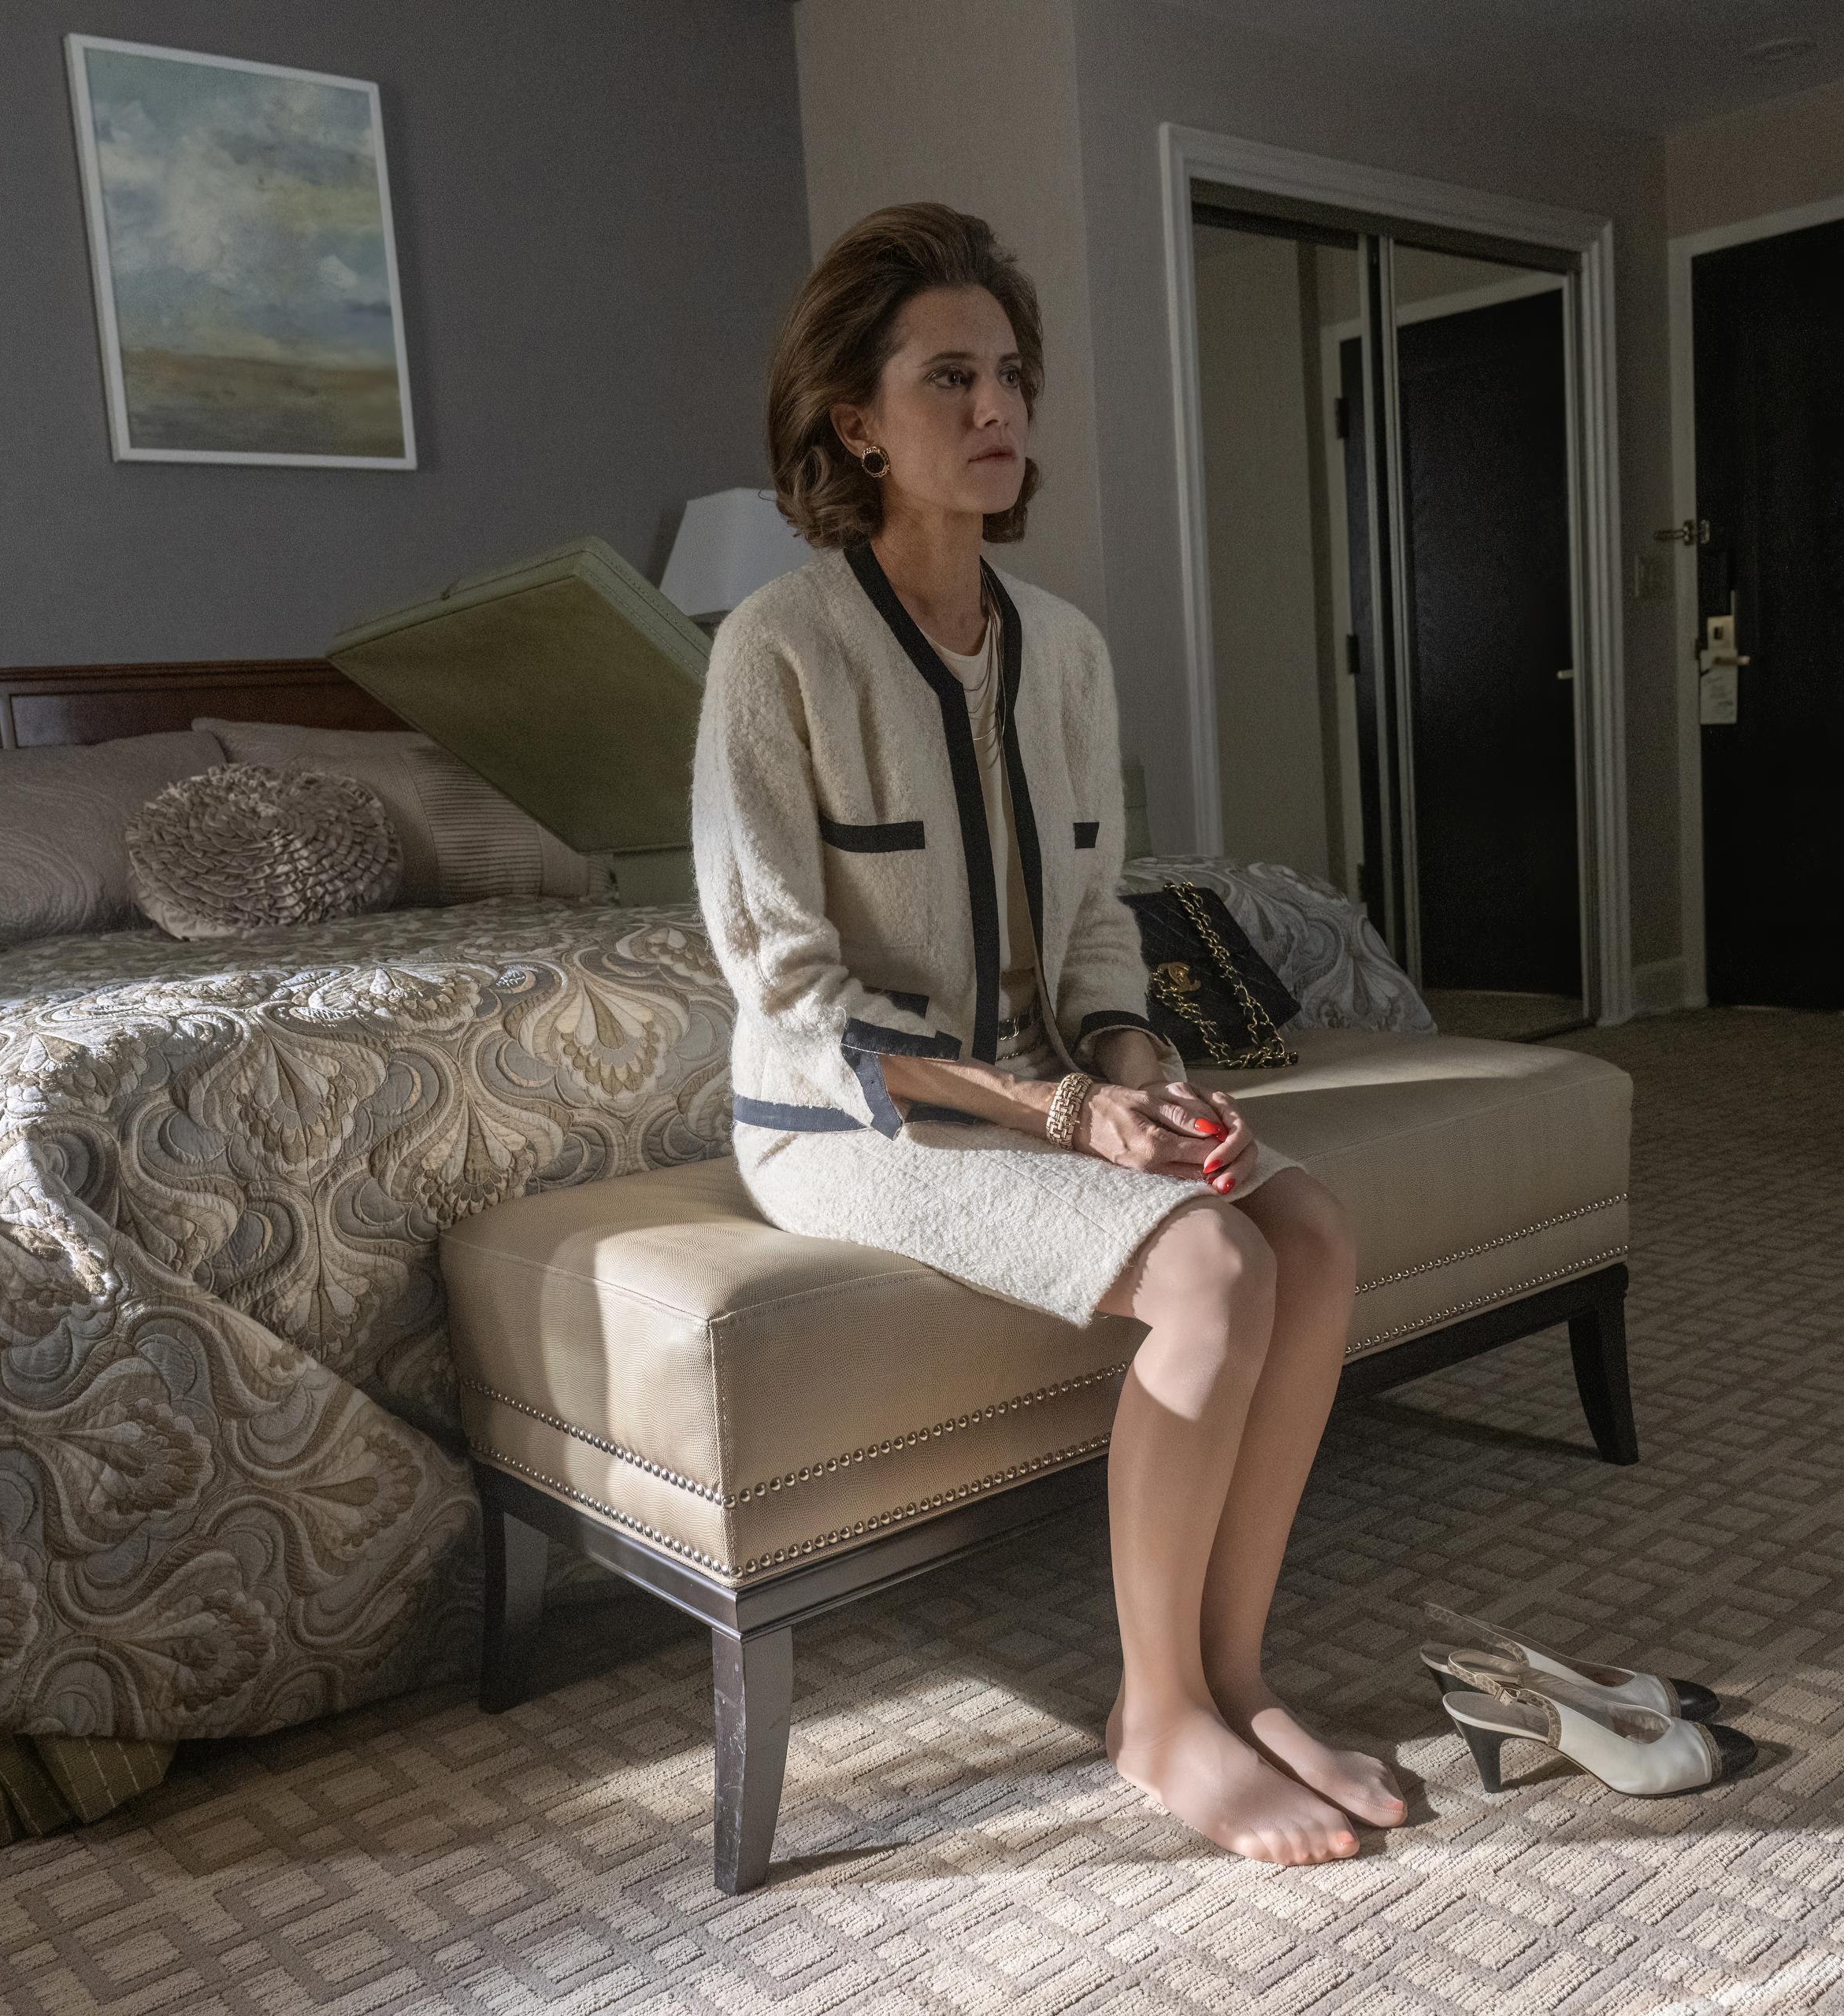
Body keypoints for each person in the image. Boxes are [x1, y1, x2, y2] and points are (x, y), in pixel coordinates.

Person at [688, 202, 1398, 1867]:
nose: (998, 407)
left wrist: (1144, 1075)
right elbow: (791, 998)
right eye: (950, 377)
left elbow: (1092, 928)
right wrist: (1068, 1117)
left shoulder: (1064, 650)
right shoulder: (775, 652)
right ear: (857, 421)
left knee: (1308, 1228)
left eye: (1010, 373)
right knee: (1209, 1270)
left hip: (1054, 1086)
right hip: (843, 1121)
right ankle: (1158, 1713)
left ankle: (1234, 1678)